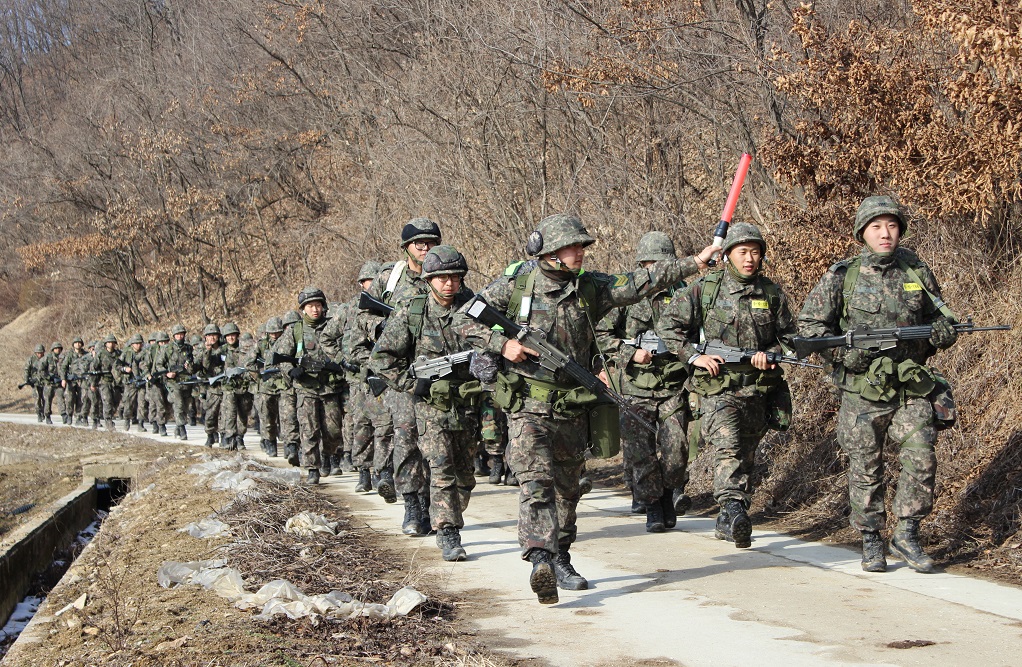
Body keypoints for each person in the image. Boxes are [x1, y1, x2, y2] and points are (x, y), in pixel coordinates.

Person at [455, 212, 715, 604]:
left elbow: (640, 282)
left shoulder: (590, 287)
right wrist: (502, 344)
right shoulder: (517, 285)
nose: (579, 252)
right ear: (550, 252)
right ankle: (540, 558)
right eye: (572, 246)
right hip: (528, 404)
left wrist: (694, 262)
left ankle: (561, 556)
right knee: (535, 481)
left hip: (573, 404)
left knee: (567, 489)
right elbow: (465, 316)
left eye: (581, 246)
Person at [797, 196, 958, 574]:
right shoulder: (843, 277)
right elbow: (809, 329)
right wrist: (842, 355)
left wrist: (943, 333)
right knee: (866, 467)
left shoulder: (916, 271)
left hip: (909, 386)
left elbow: (937, 317)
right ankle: (871, 538)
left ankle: (908, 532)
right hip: (862, 391)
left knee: (922, 456)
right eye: (876, 227)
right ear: (862, 233)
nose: (885, 233)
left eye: (892, 226)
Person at [658, 223, 796, 550]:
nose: (750, 259)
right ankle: (734, 509)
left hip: (757, 389)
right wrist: (694, 357)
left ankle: (727, 517)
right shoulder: (706, 289)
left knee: (746, 455)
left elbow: (791, 338)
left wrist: (771, 354)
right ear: (728, 255)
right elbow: (668, 326)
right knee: (727, 447)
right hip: (717, 389)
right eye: (743, 252)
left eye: (755, 252)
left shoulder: (771, 293)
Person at [370, 246, 479, 560]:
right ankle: (448, 531)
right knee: (441, 466)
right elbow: (382, 358)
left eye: (455, 277)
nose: (449, 283)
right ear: (429, 279)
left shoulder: (473, 309)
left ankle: (441, 514)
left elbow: (493, 345)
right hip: (429, 405)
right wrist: (411, 385)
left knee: (465, 474)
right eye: (442, 277)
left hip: (467, 402)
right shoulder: (413, 311)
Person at [596, 231, 693, 533]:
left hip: (672, 384)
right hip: (634, 386)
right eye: (652, 265)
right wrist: (630, 354)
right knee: (640, 452)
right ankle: (653, 505)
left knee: (676, 449)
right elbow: (600, 335)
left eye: (664, 265)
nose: (659, 271)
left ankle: (668, 492)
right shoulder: (625, 295)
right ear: (642, 265)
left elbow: (699, 334)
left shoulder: (685, 293)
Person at [359, 219, 443, 532]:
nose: (425, 248)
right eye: (419, 243)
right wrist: (381, 327)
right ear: (406, 247)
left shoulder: (444, 273)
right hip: (401, 373)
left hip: (438, 371)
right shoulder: (389, 278)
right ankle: (412, 506)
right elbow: (363, 316)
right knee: (407, 438)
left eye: (431, 242)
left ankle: (434, 506)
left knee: (438, 441)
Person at [272, 287, 345, 484]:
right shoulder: (295, 330)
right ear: (303, 309)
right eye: (310, 306)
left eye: (318, 305)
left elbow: (345, 351)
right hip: (306, 388)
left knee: (333, 429)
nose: (315, 309)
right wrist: (290, 370)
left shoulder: (332, 327)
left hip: (330, 387)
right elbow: (281, 357)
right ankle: (312, 468)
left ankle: (328, 455)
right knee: (309, 429)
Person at [339, 262, 396, 497]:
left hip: (392, 376)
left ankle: (384, 473)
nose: (372, 284)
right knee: (362, 425)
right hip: (363, 379)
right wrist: (347, 361)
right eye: (368, 281)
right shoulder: (353, 308)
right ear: (362, 283)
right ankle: (364, 471)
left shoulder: (395, 301)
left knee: (386, 427)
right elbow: (343, 342)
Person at [155, 324, 195, 440]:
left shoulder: (189, 348)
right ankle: (182, 429)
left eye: (181, 334)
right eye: (177, 335)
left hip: (186, 381)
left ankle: (178, 426)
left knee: (187, 406)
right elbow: (159, 364)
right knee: (179, 404)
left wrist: (190, 365)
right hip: (173, 381)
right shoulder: (167, 349)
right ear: (174, 336)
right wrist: (167, 373)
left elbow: (194, 363)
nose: (180, 336)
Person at [198, 324, 225, 447]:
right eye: (209, 335)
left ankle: (224, 436)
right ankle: (210, 435)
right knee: (210, 414)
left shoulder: (225, 349)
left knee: (225, 414)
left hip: (225, 386)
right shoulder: (202, 350)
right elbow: (203, 366)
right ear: (205, 337)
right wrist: (207, 351)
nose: (212, 338)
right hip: (212, 387)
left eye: (214, 335)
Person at [90, 334, 122, 432]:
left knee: (115, 401)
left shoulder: (119, 354)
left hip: (116, 382)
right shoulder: (101, 354)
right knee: (107, 400)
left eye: (112, 342)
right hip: (104, 381)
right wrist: (93, 383)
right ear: (105, 344)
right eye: (109, 342)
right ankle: (108, 422)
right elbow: (94, 368)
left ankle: (110, 416)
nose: (111, 344)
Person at [118, 334, 147, 431]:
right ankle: (127, 420)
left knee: (142, 403)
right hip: (130, 382)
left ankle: (140, 423)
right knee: (129, 403)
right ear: (132, 344)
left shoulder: (145, 353)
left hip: (142, 382)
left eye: (140, 343)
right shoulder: (126, 354)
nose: (138, 345)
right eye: (136, 343)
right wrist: (124, 369)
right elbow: (117, 366)